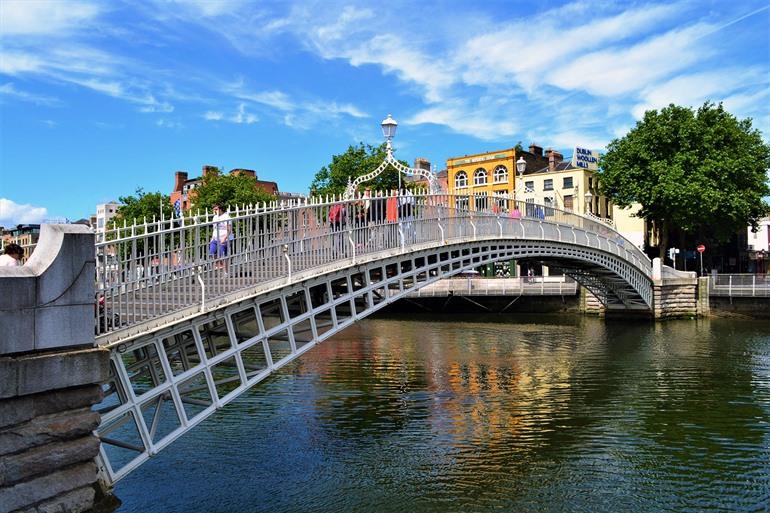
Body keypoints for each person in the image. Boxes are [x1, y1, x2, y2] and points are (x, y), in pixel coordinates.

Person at [209, 204, 231, 271]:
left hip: (223, 238)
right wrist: (212, 237)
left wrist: (224, 238)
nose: (215, 211)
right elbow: (214, 228)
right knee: (211, 253)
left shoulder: (226, 217)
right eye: (214, 209)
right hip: (215, 238)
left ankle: (226, 271)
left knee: (223, 256)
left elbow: (229, 229)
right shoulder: (215, 217)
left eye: (216, 209)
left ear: (220, 209)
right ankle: (219, 265)